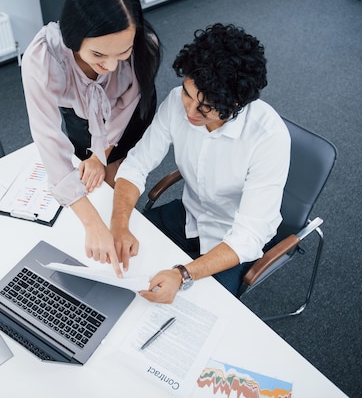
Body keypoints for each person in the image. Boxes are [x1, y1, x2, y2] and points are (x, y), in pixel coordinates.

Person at [108, 23, 291, 304]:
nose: (190, 110)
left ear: (236, 103)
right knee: (117, 270)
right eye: (187, 93)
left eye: (205, 106)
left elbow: (250, 235)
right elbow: (136, 165)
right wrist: (120, 224)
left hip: (229, 239)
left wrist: (183, 274)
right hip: (187, 214)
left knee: (195, 315)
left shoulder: (269, 137)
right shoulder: (175, 102)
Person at [21, 0, 161, 263]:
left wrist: (102, 155)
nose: (110, 66)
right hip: (80, 115)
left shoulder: (144, 47)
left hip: (129, 115)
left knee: (115, 182)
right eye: (98, 54)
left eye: (122, 53)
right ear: (74, 35)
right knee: (88, 188)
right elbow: (48, 137)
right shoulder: (42, 59)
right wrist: (92, 225)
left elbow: (125, 108)